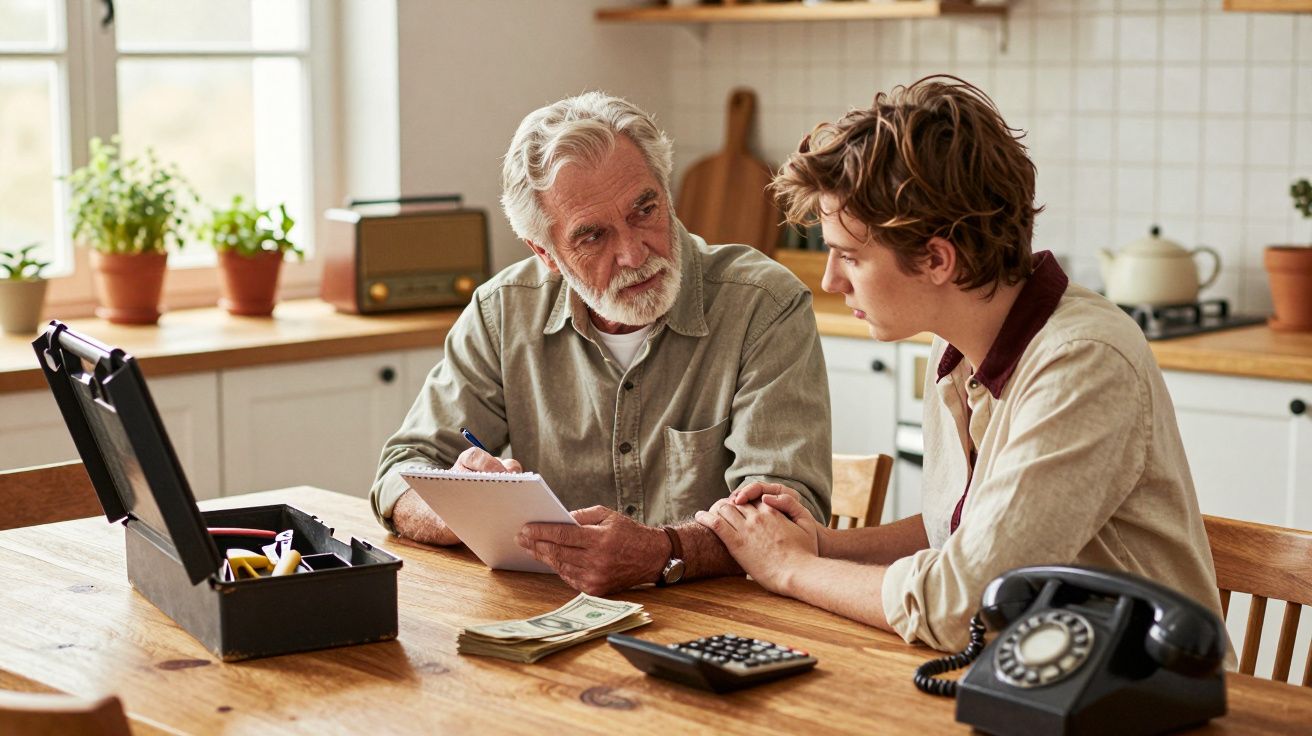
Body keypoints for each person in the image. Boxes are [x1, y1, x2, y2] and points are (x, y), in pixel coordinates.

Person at [695, 76, 1224, 652]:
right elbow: (961, 533)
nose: (829, 280)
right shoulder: (954, 348)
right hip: (1029, 672)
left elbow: (963, 608)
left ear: (937, 259)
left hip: (1147, 693)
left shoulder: (1082, 363)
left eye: (849, 256)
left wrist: (790, 570)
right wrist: (820, 546)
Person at [370, 91, 831, 596]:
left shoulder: (764, 305)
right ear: (544, 252)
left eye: (645, 210)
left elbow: (788, 517)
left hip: (726, 621)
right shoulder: (502, 312)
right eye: (593, 237)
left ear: (666, 192)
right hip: (550, 621)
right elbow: (401, 472)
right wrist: (465, 505)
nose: (634, 253)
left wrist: (662, 552)